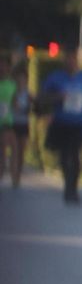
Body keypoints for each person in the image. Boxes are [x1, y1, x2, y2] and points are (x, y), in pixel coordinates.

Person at [39, 49, 82, 204]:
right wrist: (58, 97)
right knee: (64, 154)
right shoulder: (55, 78)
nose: (71, 62)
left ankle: (73, 188)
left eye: (73, 59)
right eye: (68, 59)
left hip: (78, 122)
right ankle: (67, 185)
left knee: (75, 154)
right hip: (61, 121)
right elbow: (43, 96)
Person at [3, 59, 27, 189]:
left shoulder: (21, 90)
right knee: (11, 150)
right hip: (10, 123)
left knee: (19, 150)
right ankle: (10, 174)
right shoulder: (9, 87)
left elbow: (24, 103)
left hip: (18, 123)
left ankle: (16, 176)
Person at [0, 56, 17, 193]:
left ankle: (9, 176)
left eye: (4, 66)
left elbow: (16, 103)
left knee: (4, 150)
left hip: (6, 122)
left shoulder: (12, 84)